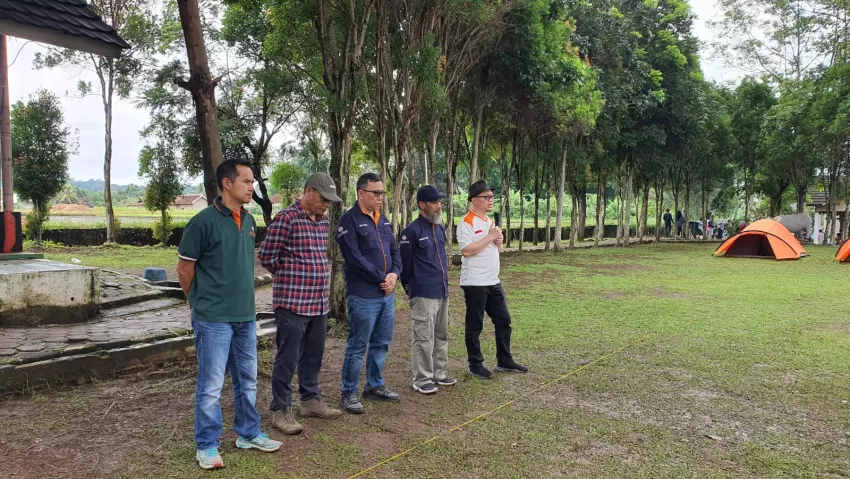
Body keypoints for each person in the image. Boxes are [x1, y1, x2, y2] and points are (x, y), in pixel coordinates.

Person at [177, 159, 282, 470]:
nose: (252, 187)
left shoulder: (248, 221)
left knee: (247, 379)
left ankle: (248, 433)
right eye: (246, 181)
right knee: (211, 384)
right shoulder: (203, 222)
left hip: (245, 316)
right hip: (213, 319)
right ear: (227, 183)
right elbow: (184, 268)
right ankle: (207, 444)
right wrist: (196, 301)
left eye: (252, 182)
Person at [257, 173, 344, 435]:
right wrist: (290, 275)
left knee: (313, 354)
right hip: (292, 302)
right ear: (308, 192)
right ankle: (280, 409)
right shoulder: (287, 218)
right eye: (323, 198)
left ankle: (310, 400)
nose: (327, 204)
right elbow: (267, 256)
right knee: (288, 357)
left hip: (318, 302)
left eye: (330, 200)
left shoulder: (323, 220)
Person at [336, 173, 402, 414]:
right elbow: (354, 258)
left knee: (381, 343)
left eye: (382, 193)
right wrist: (381, 277)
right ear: (361, 193)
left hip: (386, 294)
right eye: (376, 193)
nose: (380, 197)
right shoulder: (349, 221)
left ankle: (374, 385)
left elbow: (395, 250)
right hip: (363, 295)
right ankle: (348, 391)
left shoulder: (382, 220)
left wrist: (394, 274)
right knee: (358, 345)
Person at [457, 180, 528, 379]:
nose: (491, 200)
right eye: (486, 197)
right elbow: (466, 251)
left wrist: (498, 242)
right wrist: (489, 237)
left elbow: (497, 251)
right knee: (475, 325)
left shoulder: (489, 221)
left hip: (493, 280)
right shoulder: (466, 222)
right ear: (474, 200)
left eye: (492, 197)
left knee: (504, 320)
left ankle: (504, 360)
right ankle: (475, 364)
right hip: (475, 282)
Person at [399, 185, 456, 395]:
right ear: (422, 205)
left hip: (442, 290)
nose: (438, 206)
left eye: (440, 202)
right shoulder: (411, 232)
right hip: (423, 292)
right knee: (423, 337)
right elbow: (404, 266)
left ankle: (439, 373)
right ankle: (422, 378)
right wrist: (410, 287)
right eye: (434, 202)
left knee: (441, 334)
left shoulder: (439, 229)